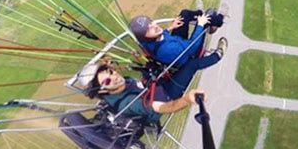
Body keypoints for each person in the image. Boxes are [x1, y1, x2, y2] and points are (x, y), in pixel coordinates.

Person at [86, 37, 227, 123]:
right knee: (191, 65)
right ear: (102, 90)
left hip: (157, 87)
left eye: (111, 72)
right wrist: (187, 99)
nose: (115, 77)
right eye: (107, 81)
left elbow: (138, 85)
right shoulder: (129, 104)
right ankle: (217, 56)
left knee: (157, 65)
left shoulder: (121, 85)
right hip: (168, 96)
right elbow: (163, 108)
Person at [129, 0, 228, 68]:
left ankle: (199, 13)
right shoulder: (168, 49)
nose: (154, 26)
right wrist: (200, 25)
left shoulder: (149, 40)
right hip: (191, 51)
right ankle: (219, 20)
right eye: (148, 29)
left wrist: (170, 28)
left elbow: (159, 38)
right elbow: (191, 47)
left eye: (151, 22)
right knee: (204, 20)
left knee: (184, 14)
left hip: (176, 41)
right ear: (144, 37)